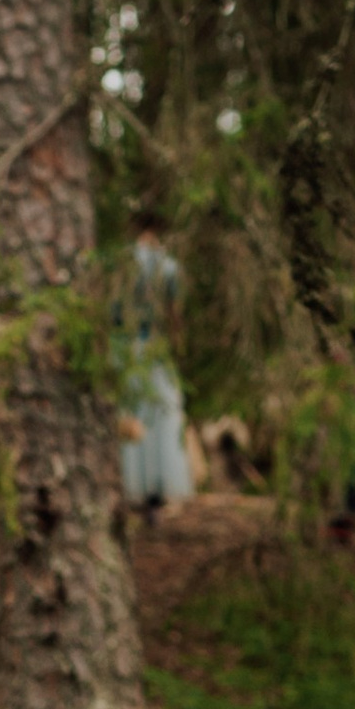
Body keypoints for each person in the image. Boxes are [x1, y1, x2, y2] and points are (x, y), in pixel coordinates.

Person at [117, 214, 194, 511]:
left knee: (134, 409)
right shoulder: (169, 267)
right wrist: (177, 346)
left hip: (128, 348)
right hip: (157, 350)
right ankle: (158, 487)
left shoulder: (125, 265)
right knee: (160, 414)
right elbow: (176, 316)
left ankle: (135, 485)